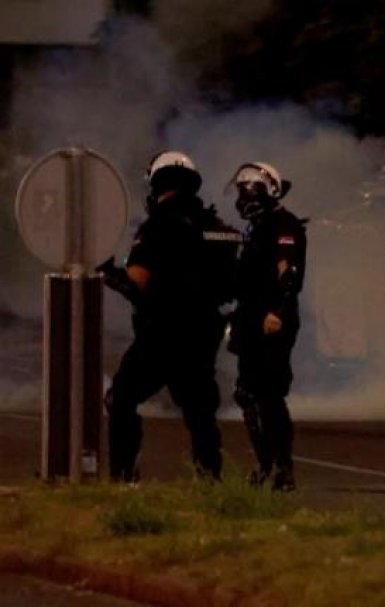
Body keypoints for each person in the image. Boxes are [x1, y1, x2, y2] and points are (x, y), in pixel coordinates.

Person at [99, 151, 240, 482]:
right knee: (200, 411)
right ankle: (209, 481)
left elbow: (137, 283)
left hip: (161, 332)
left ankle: (123, 479)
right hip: (204, 332)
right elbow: (232, 283)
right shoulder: (217, 227)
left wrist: (109, 273)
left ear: (157, 183)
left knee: (121, 399)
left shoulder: (157, 225)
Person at [226, 161, 308, 492]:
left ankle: (282, 468)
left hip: (272, 320)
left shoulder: (284, 225)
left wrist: (278, 310)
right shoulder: (256, 227)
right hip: (249, 317)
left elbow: (287, 274)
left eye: (251, 190)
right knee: (248, 393)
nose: (245, 197)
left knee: (269, 395)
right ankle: (265, 463)